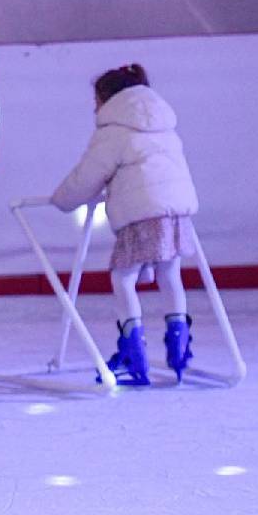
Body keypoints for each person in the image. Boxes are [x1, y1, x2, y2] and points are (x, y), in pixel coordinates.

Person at [51, 63, 199, 385]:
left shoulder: (113, 131)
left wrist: (60, 200)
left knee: (124, 278)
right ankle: (179, 347)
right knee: (169, 273)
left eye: (97, 101)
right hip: (176, 213)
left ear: (108, 98)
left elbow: (86, 177)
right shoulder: (164, 125)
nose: (94, 108)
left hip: (141, 214)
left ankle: (134, 350)